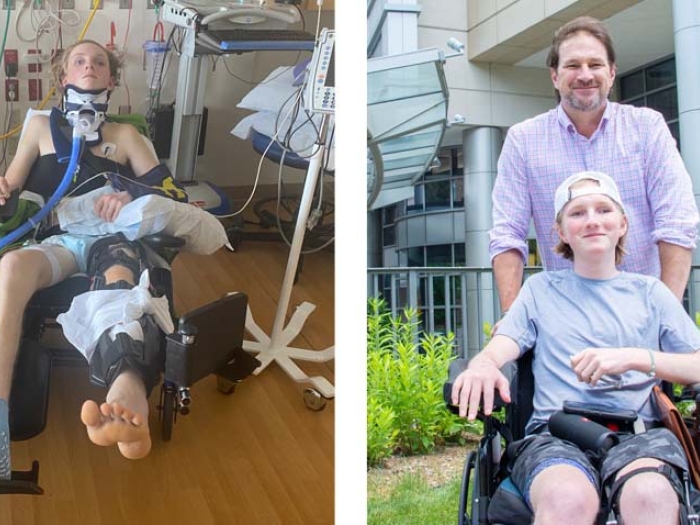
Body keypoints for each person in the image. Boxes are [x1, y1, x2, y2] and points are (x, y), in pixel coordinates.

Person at [453, 171, 700, 524]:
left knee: (651, 496)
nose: (592, 221)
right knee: (567, 499)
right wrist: (483, 365)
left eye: (604, 210)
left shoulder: (650, 293)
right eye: (577, 213)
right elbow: (503, 344)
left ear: (623, 224)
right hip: (555, 435)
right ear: (562, 232)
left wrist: (634, 358)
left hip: (639, 436)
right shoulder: (540, 290)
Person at [0, 40, 184, 475]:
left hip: (112, 239)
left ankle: (127, 394)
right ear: (63, 78)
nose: (89, 65)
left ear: (112, 80)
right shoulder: (40, 127)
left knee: (120, 277)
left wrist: (128, 193)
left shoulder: (125, 136)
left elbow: (172, 195)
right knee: (10, 268)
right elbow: (9, 188)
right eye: (78, 61)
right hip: (58, 239)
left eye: (99, 62)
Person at [490, 16, 699, 316]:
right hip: (565, 322)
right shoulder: (523, 140)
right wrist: (512, 323)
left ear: (612, 73)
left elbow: (677, 222)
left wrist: (666, 317)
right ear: (554, 76)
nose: (585, 75)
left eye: (595, 64)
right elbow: (507, 234)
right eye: (573, 65)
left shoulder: (647, 127)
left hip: (645, 312)